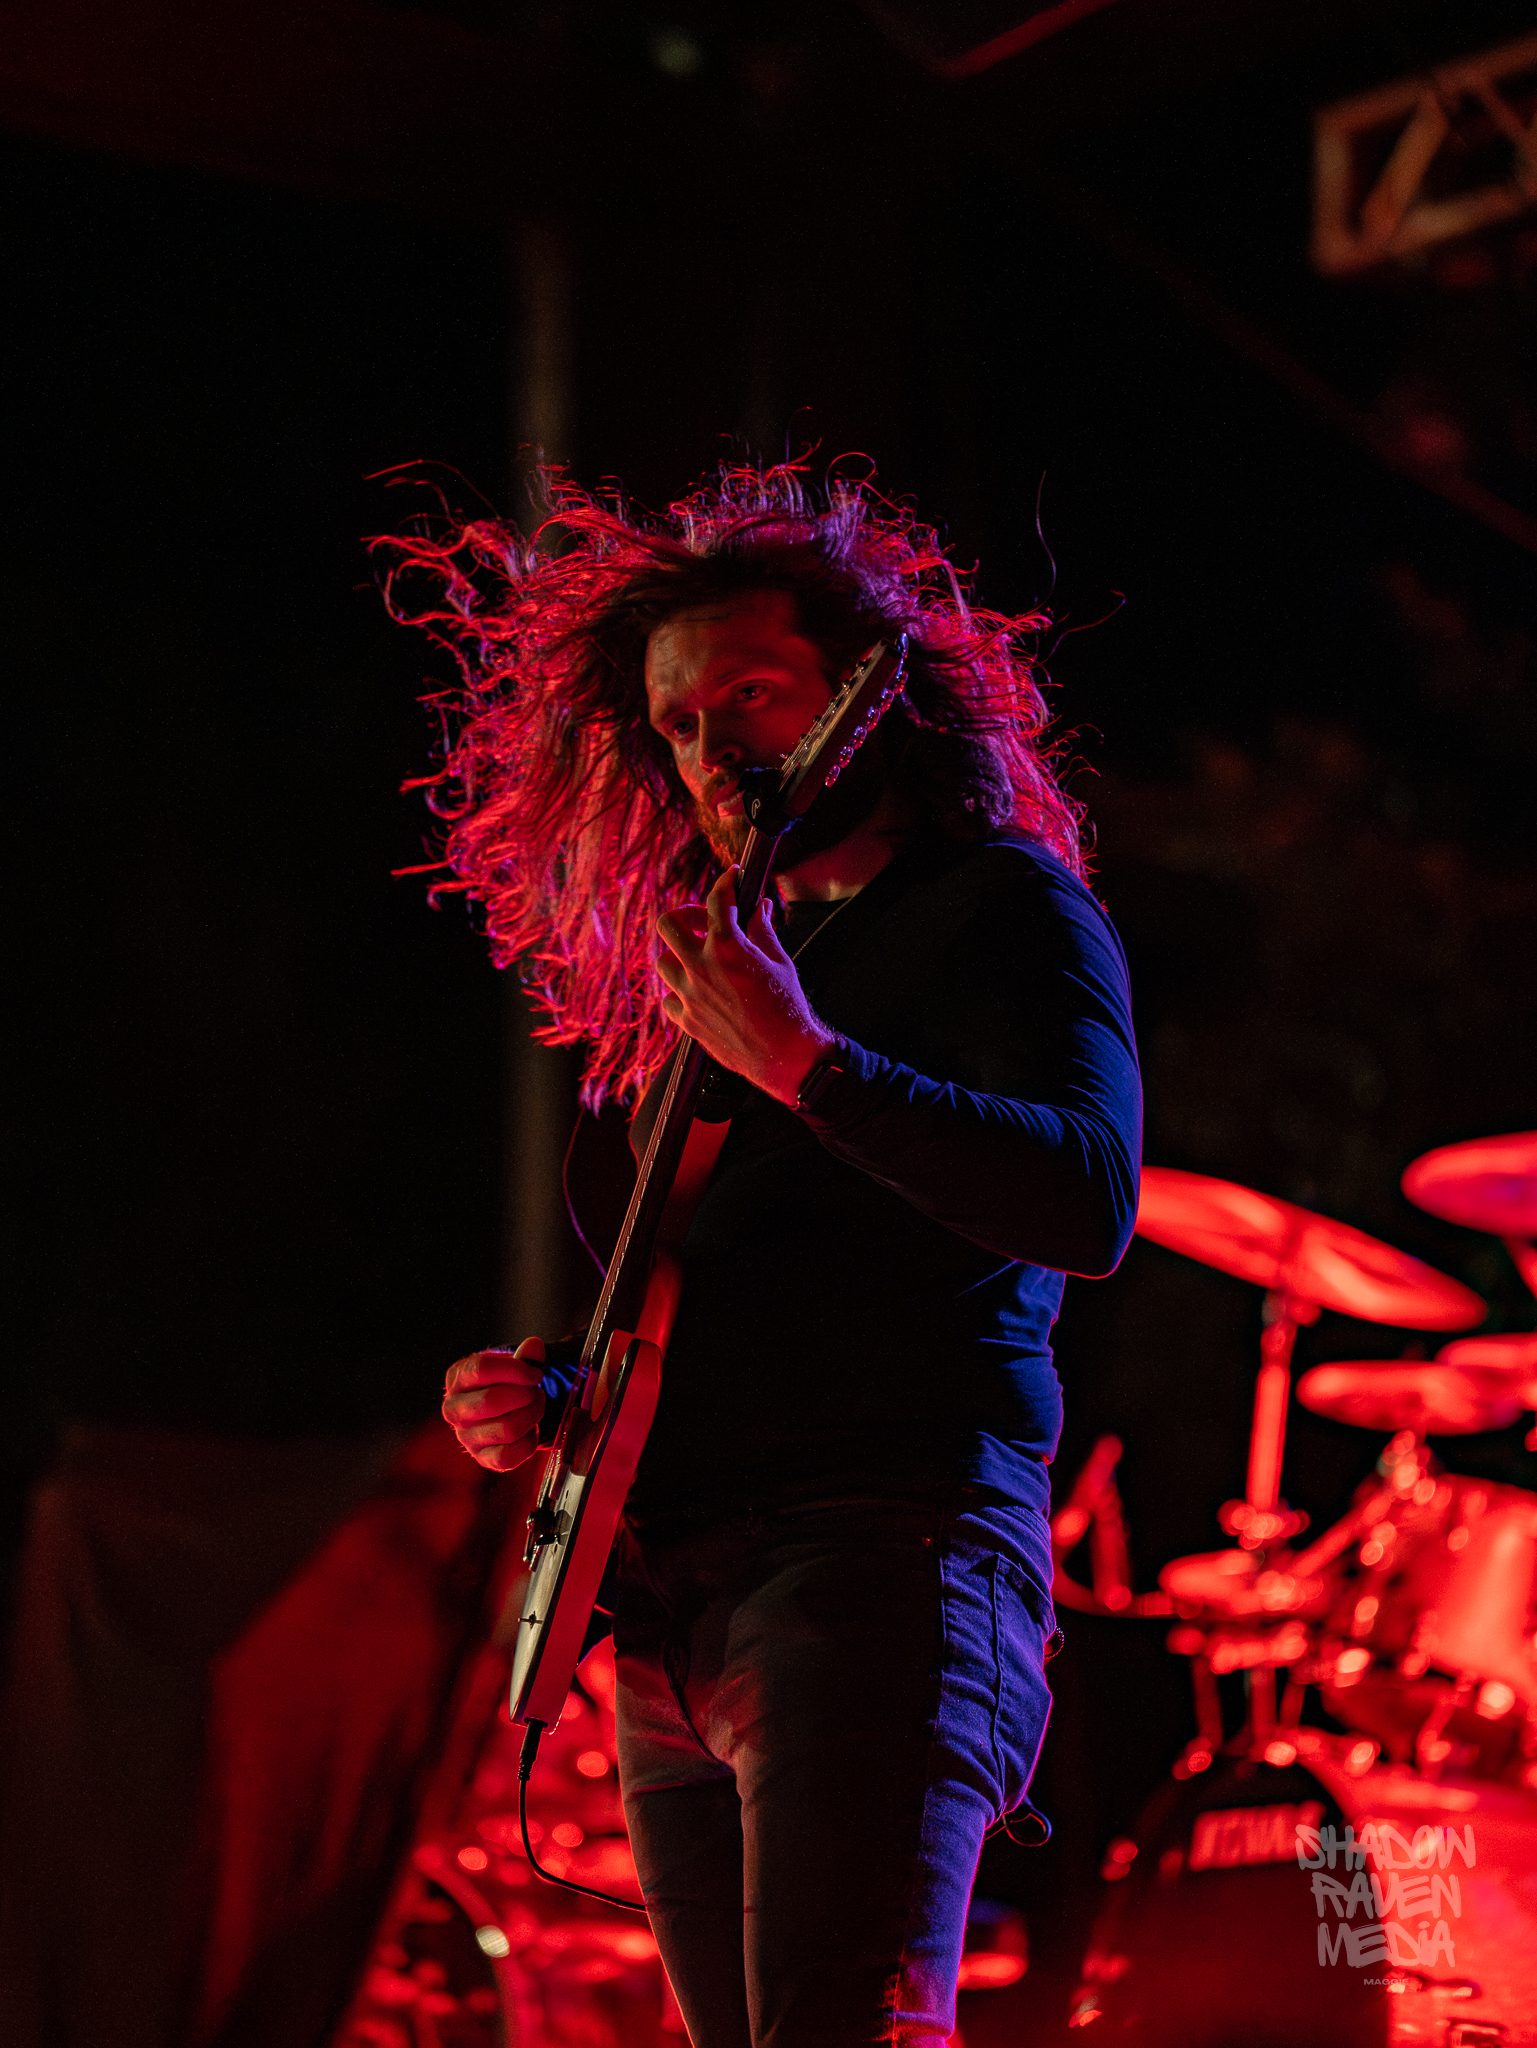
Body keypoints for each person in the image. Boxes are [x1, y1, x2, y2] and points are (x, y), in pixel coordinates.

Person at [379, 464, 1141, 2048]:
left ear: (868, 698)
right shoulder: (726, 978)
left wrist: (811, 1065)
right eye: (672, 721)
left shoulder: (998, 909)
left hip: (880, 1560)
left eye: (750, 693)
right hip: (674, 1609)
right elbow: (740, 1287)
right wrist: (551, 1390)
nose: (709, 748)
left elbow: (1084, 1200)